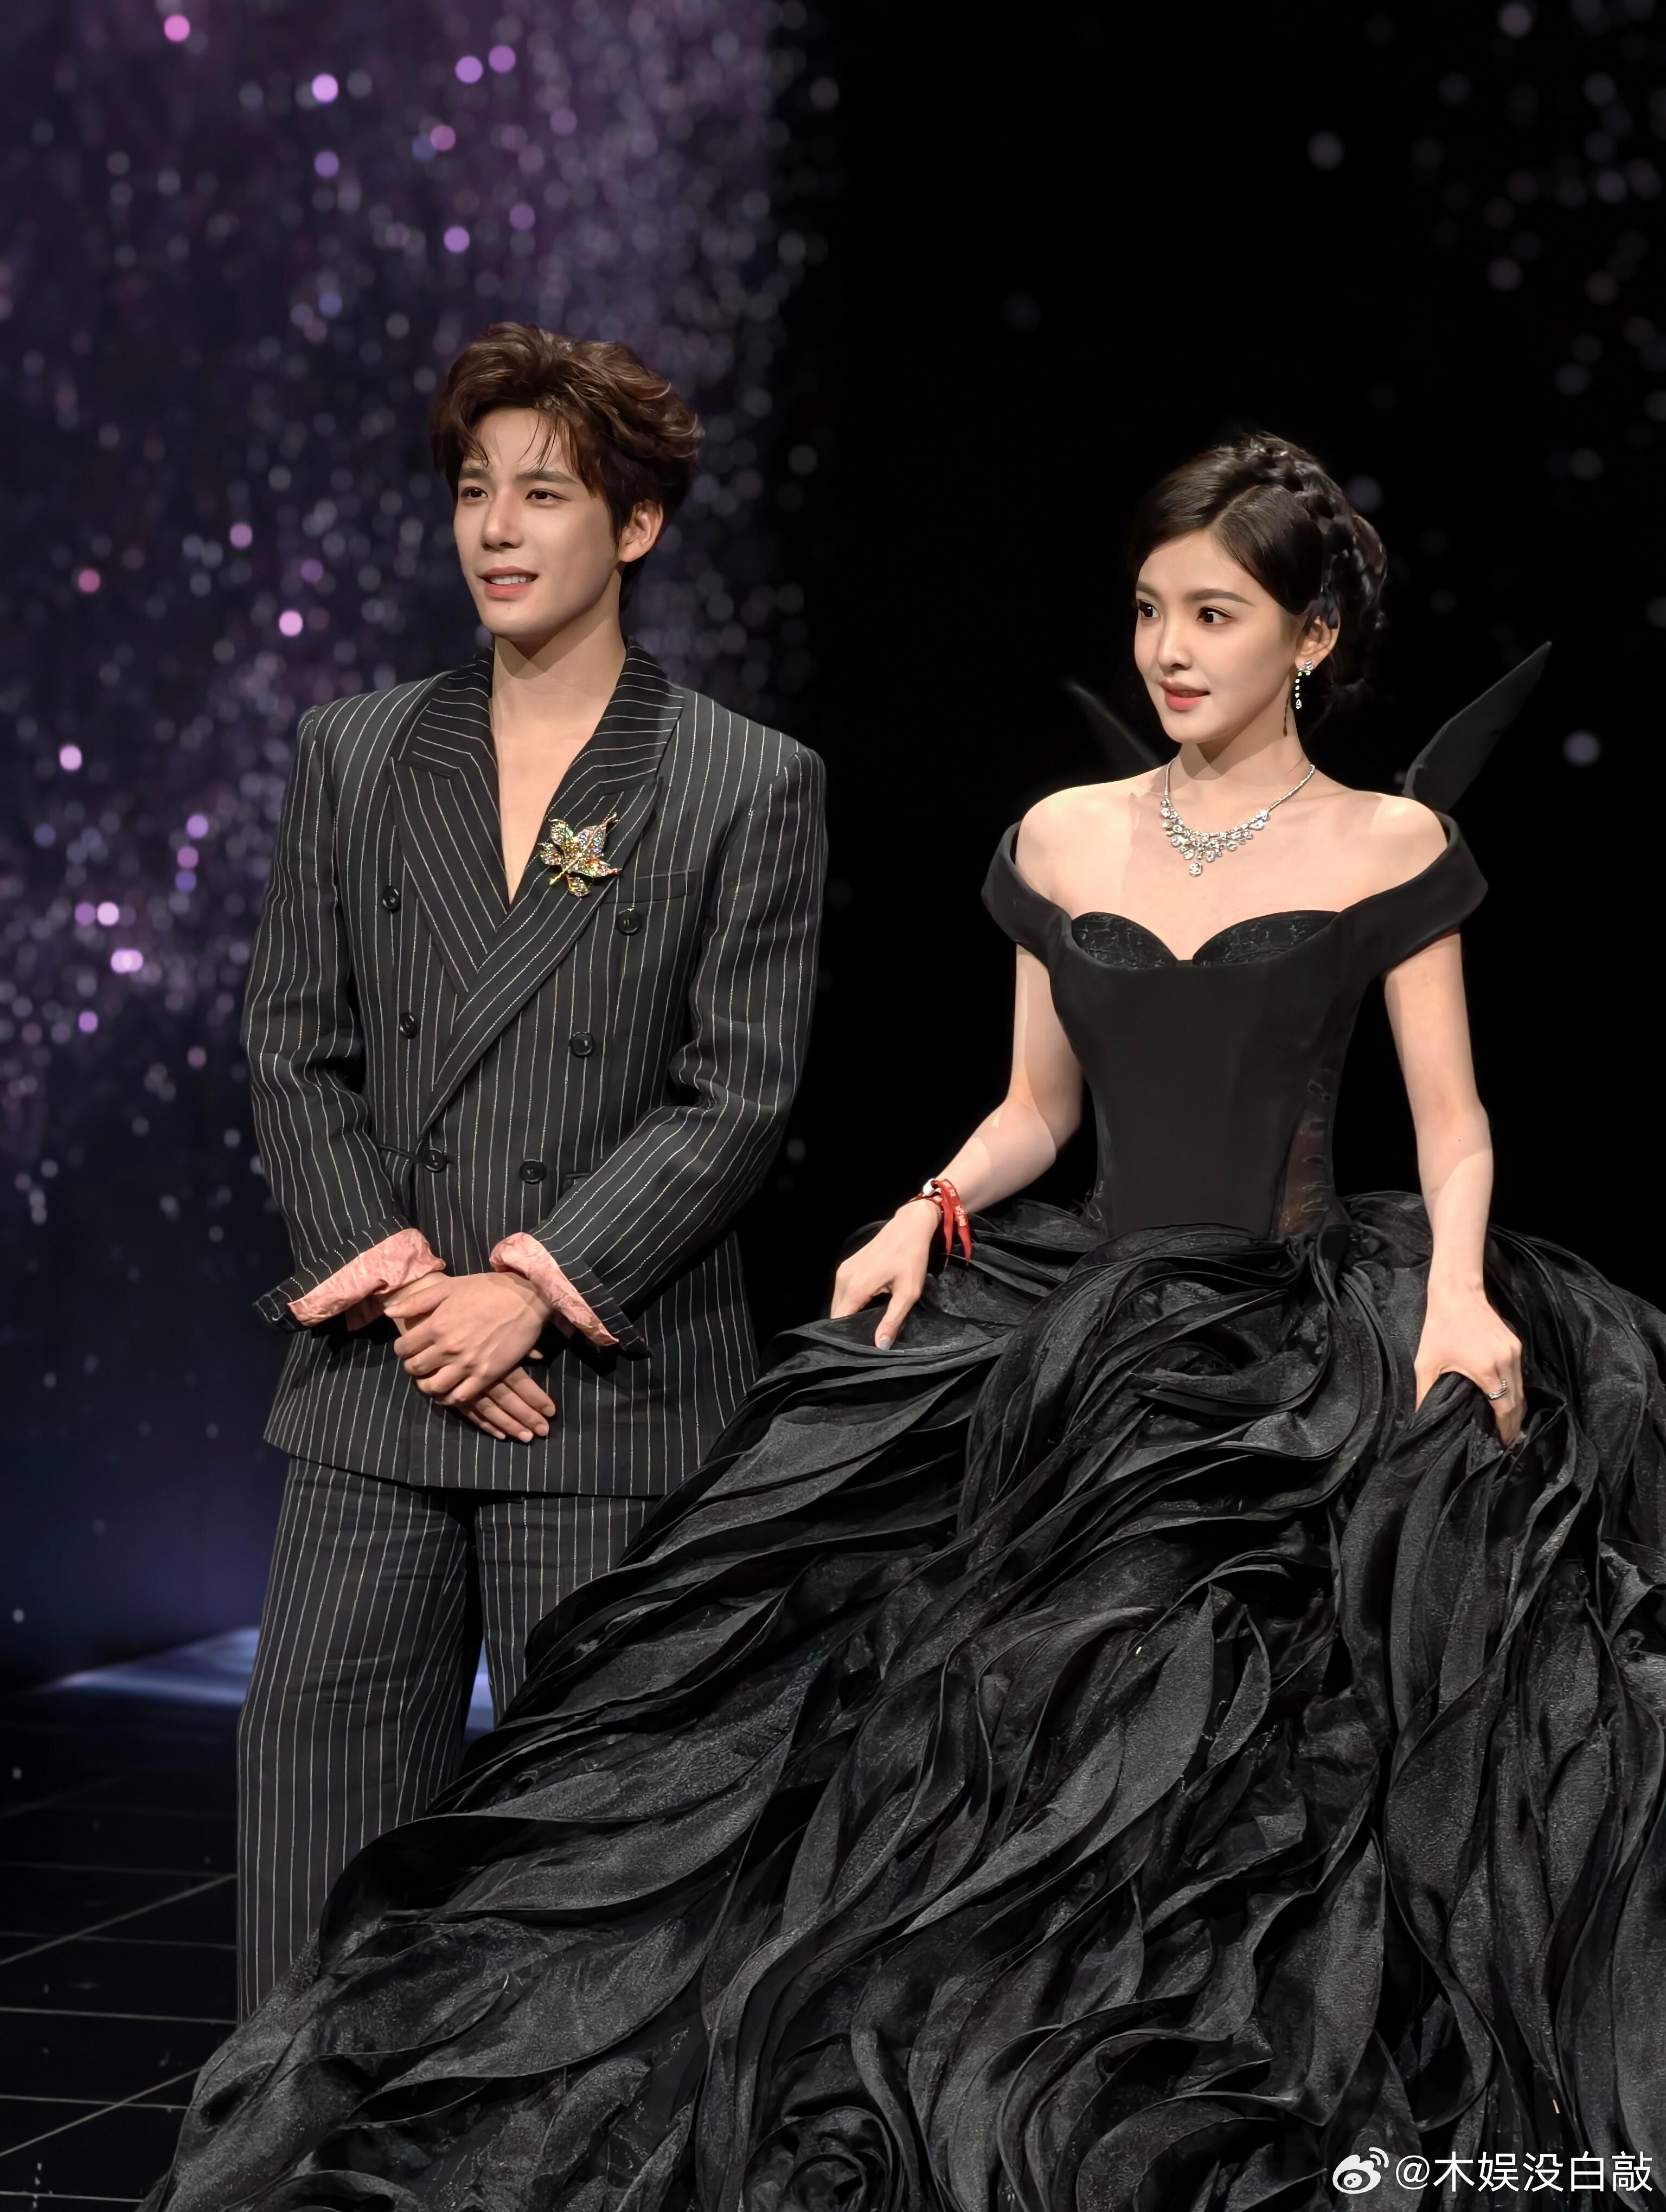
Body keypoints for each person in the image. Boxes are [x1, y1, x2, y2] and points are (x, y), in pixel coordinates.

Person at [151, 435, 1663, 2209]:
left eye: (1214, 615)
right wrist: (927, 1206)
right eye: (1150, 612)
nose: (1170, 650)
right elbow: (1034, 1112)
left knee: (1254, 1749)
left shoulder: (1391, 842)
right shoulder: (1064, 833)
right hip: (1082, 1309)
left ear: (1309, 638)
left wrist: (1462, 1298)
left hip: (1286, 1333)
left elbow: (1454, 1124)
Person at [232, 324, 826, 2013]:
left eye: (545, 493)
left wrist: (529, 1290)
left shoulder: (741, 781)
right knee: (314, 1852)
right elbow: (293, 1044)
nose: (496, 527)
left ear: (635, 525)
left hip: (603, 1395)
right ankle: (301, 2150)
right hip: (382, 1378)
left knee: (597, 1877)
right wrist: (416, 1289)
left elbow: (737, 1093)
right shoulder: (355, 753)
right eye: (475, 490)